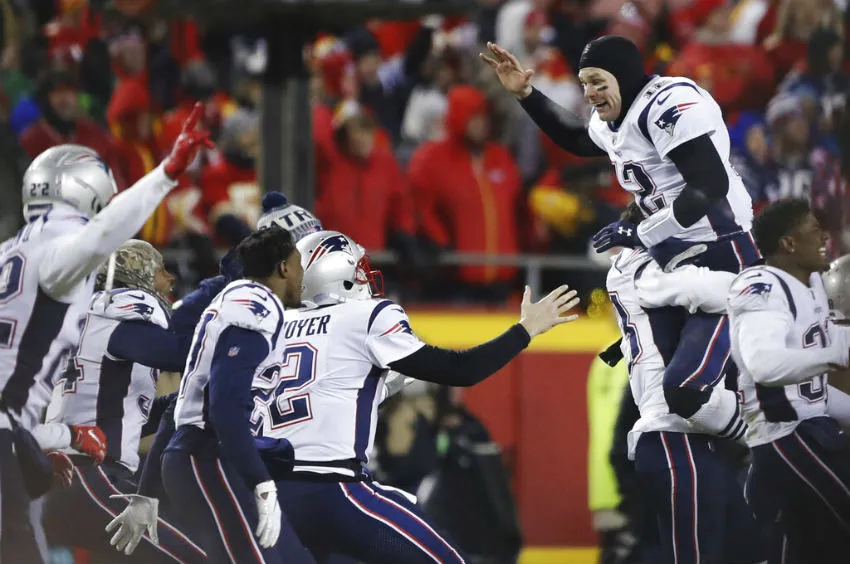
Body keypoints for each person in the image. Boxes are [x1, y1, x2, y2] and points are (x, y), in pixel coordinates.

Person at [481, 35, 760, 460]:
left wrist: (643, 233)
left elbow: (708, 185)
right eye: (583, 83)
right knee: (667, 407)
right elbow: (578, 139)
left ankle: (761, 441)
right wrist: (526, 94)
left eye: (597, 81)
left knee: (688, 390)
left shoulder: (666, 103)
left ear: (625, 77)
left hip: (720, 251)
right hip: (673, 258)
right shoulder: (617, 117)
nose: (589, 93)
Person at [252, 229, 580, 563]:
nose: (364, 278)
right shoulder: (365, 316)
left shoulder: (273, 327)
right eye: (358, 271)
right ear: (338, 274)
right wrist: (525, 330)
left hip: (271, 500)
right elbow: (461, 370)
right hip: (335, 492)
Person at [0, 103, 211, 562]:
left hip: (29, 444)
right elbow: (102, 236)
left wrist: (67, 437)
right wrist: (167, 173)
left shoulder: (10, 252)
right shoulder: (59, 251)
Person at [103, 192, 324, 558]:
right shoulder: (250, 304)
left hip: (239, 456)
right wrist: (261, 483)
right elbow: (207, 406)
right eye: (307, 257)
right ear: (283, 264)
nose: (316, 269)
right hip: (217, 457)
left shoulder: (283, 304)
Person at [604, 204, 766, 564]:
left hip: (699, 436)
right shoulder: (637, 266)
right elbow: (727, 290)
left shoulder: (651, 266)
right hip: (674, 435)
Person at [36, 240, 206, 562]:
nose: (169, 279)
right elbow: (180, 355)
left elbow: (122, 419)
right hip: (90, 474)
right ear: (139, 275)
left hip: (73, 477)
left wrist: (179, 403)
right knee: (194, 558)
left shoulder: (92, 321)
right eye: (160, 271)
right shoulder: (118, 320)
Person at [162, 226, 315, 564]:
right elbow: (225, 406)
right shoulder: (257, 305)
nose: (302, 275)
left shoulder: (240, 298)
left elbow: (182, 407)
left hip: (206, 452)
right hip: (208, 454)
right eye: (299, 265)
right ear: (284, 267)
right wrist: (261, 481)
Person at [728, 198, 850, 563]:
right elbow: (764, 365)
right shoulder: (762, 285)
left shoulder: (811, 285)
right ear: (788, 243)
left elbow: (814, 394)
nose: (824, 237)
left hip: (811, 432)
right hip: (784, 438)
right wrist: (836, 354)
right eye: (814, 229)